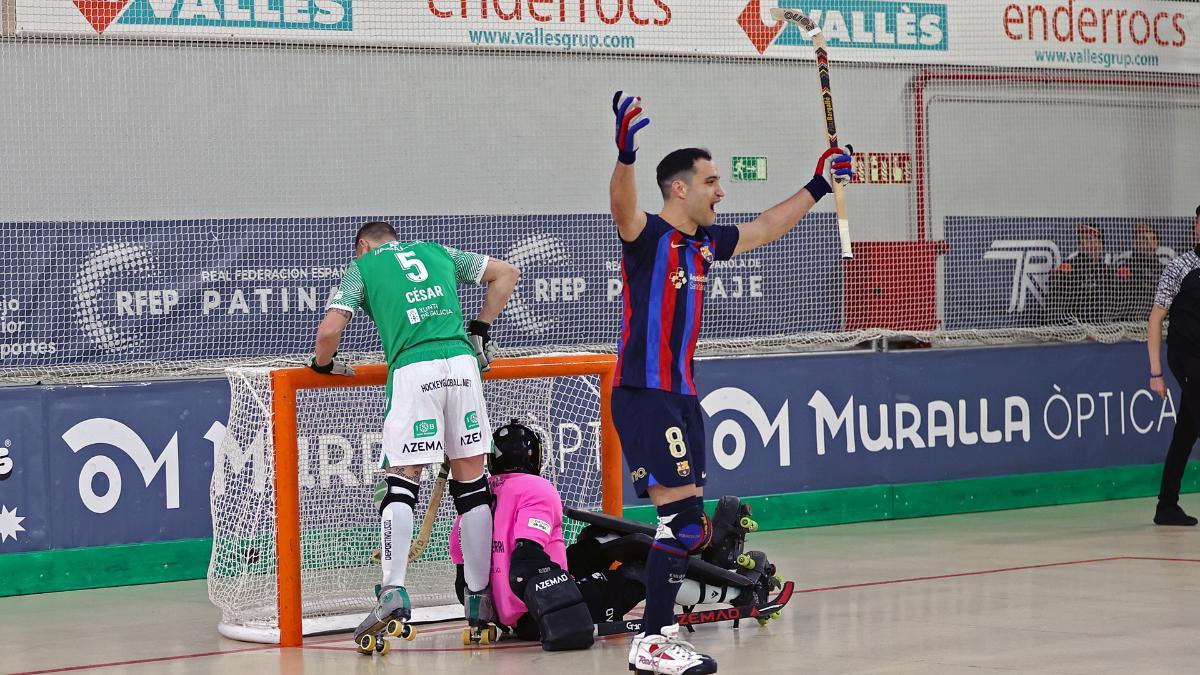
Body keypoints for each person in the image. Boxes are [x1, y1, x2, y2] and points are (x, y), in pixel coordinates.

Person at [608, 91, 851, 675]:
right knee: (686, 524)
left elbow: (767, 227)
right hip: (645, 394)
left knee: (689, 530)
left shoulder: (704, 245)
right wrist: (624, 156)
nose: (722, 191)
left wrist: (817, 185)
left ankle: (656, 637)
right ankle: (652, 641)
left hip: (683, 396)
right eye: (712, 181)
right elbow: (622, 208)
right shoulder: (648, 241)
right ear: (679, 189)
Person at [309, 220, 520, 649]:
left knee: (403, 481)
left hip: (413, 369)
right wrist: (480, 329)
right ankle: (479, 601)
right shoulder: (437, 251)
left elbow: (329, 330)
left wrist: (323, 365)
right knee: (472, 486)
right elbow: (506, 273)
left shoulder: (362, 267)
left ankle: (392, 590)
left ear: (364, 246)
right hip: (463, 365)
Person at [448, 420, 779, 651]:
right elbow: (527, 558)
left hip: (515, 613)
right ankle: (740, 595)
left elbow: (465, 577)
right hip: (546, 613)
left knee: (599, 540)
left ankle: (706, 555)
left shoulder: (476, 500)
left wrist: (491, 616)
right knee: (640, 563)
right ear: (534, 457)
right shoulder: (537, 489)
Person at [1147, 207, 1200, 526]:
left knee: (1187, 429)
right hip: (1185, 355)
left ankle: (1166, 504)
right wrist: (1156, 372)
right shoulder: (1181, 267)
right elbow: (1156, 318)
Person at [1045, 223, 1119, 324]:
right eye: (1081, 239)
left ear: (1100, 244)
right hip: (1072, 329)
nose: (1083, 243)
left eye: (1088, 239)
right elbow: (1055, 305)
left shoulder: (1108, 273)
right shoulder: (1067, 269)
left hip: (1100, 329)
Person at [1117, 223, 1164, 322]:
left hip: (1156, 323)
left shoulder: (1163, 269)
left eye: (1152, 238)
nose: (1149, 242)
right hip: (1130, 325)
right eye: (1144, 238)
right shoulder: (1126, 268)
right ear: (1134, 242)